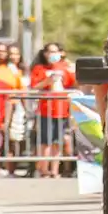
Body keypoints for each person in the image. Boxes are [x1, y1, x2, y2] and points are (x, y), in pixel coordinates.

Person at [30, 43, 74, 178]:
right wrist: (48, 81)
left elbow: (73, 84)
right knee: (45, 142)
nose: (53, 54)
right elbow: (34, 86)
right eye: (50, 52)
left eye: (56, 51)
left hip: (62, 110)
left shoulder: (65, 68)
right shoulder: (39, 68)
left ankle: (55, 170)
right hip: (46, 110)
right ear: (45, 54)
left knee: (57, 142)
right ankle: (44, 169)